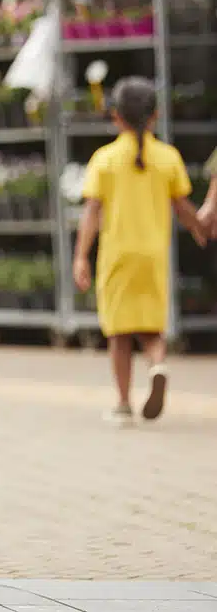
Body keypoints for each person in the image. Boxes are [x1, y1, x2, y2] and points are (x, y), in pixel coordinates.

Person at [73, 76, 205, 426]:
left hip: (117, 254)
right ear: (155, 116)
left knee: (119, 332)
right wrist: (200, 228)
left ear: (115, 116)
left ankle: (122, 403)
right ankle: (158, 365)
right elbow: (182, 206)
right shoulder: (168, 157)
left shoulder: (105, 159)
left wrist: (80, 256)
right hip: (153, 254)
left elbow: (91, 213)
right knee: (151, 327)